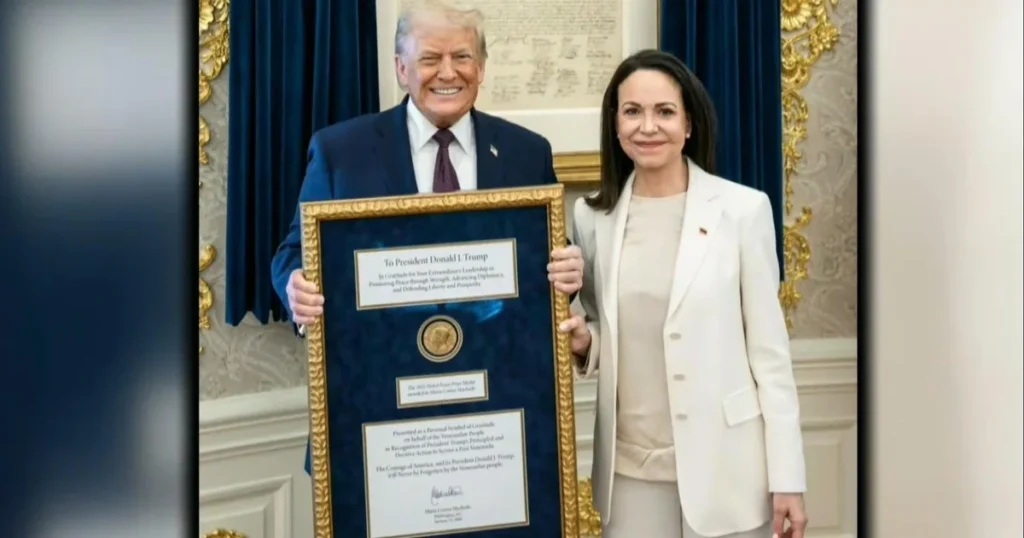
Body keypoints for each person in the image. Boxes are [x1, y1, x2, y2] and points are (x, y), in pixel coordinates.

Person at [270, 1, 584, 472]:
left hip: (493, 406)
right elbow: (294, 253)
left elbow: (543, 262)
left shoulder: (526, 152)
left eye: (462, 57)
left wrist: (568, 273)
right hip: (375, 400)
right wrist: (296, 285)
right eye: (430, 58)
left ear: (481, 67)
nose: (448, 73)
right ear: (401, 69)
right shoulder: (341, 151)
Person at [558, 49, 809, 538]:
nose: (647, 127)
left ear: (689, 123)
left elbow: (771, 357)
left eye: (665, 112)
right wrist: (586, 343)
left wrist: (788, 479)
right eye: (632, 111)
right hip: (628, 472)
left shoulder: (743, 210)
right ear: (615, 124)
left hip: (728, 469)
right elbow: (607, 327)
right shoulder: (591, 217)